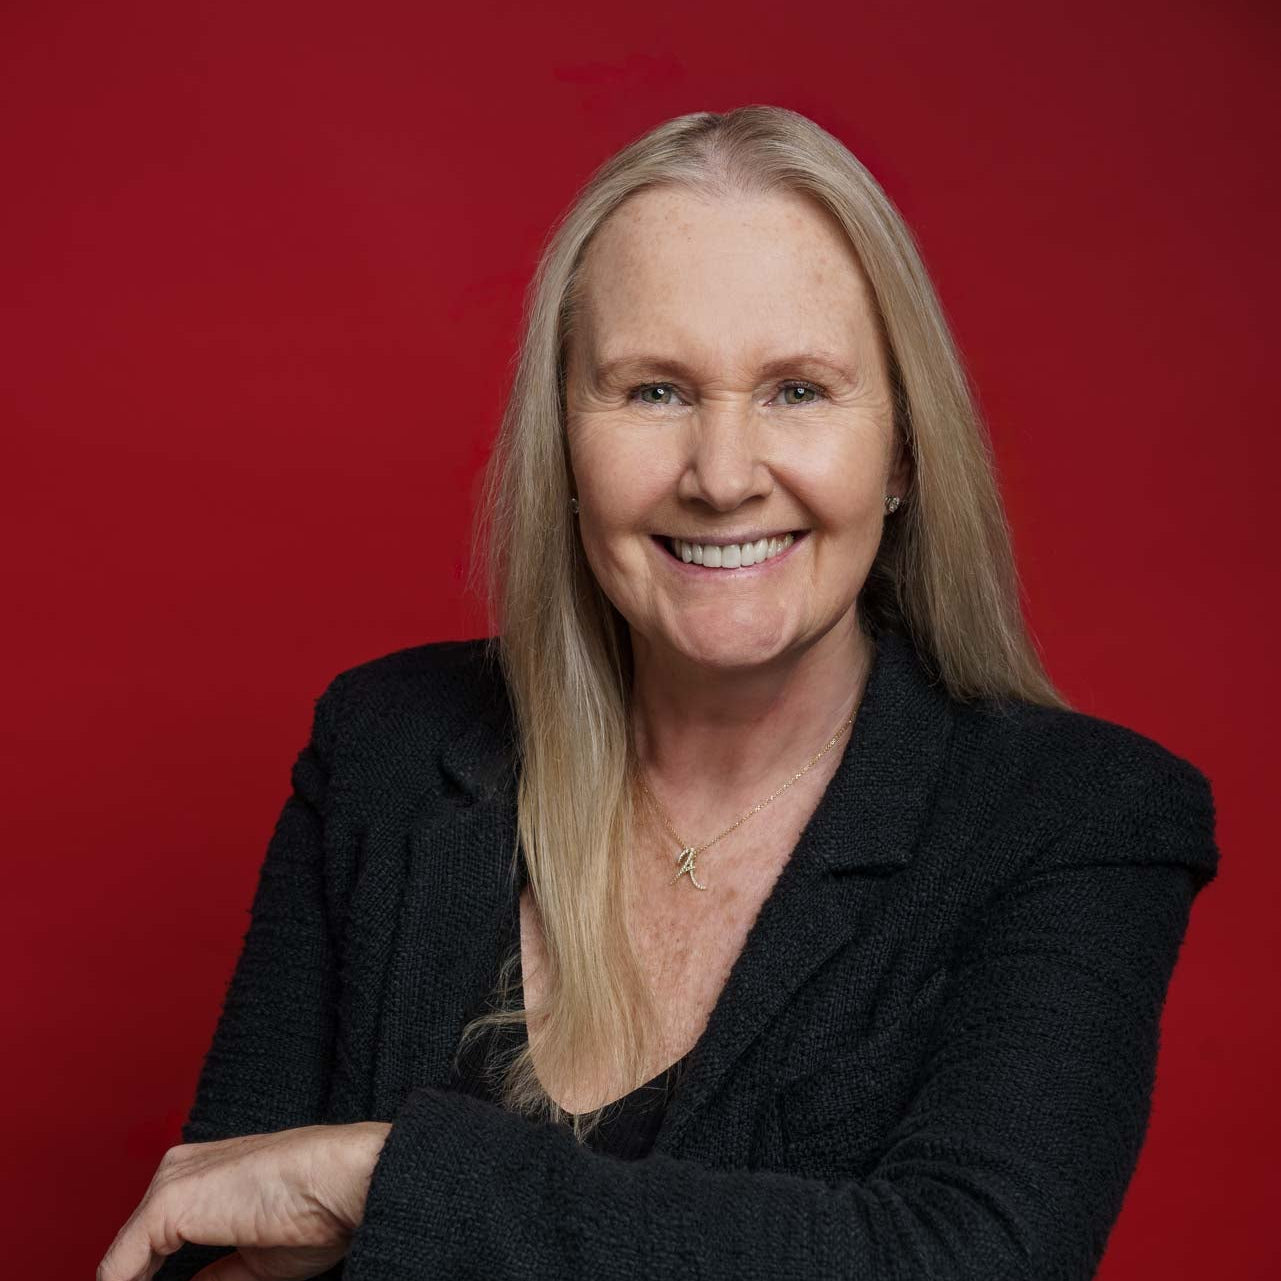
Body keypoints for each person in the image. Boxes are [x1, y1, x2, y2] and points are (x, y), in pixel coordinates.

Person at [104, 105, 1219, 1281]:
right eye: (653, 392)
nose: (724, 476)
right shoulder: (384, 751)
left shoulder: (1077, 819)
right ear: (564, 449)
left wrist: (382, 1182)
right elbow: (212, 1245)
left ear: (901, 455)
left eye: (797, 390)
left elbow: (974, 1262)